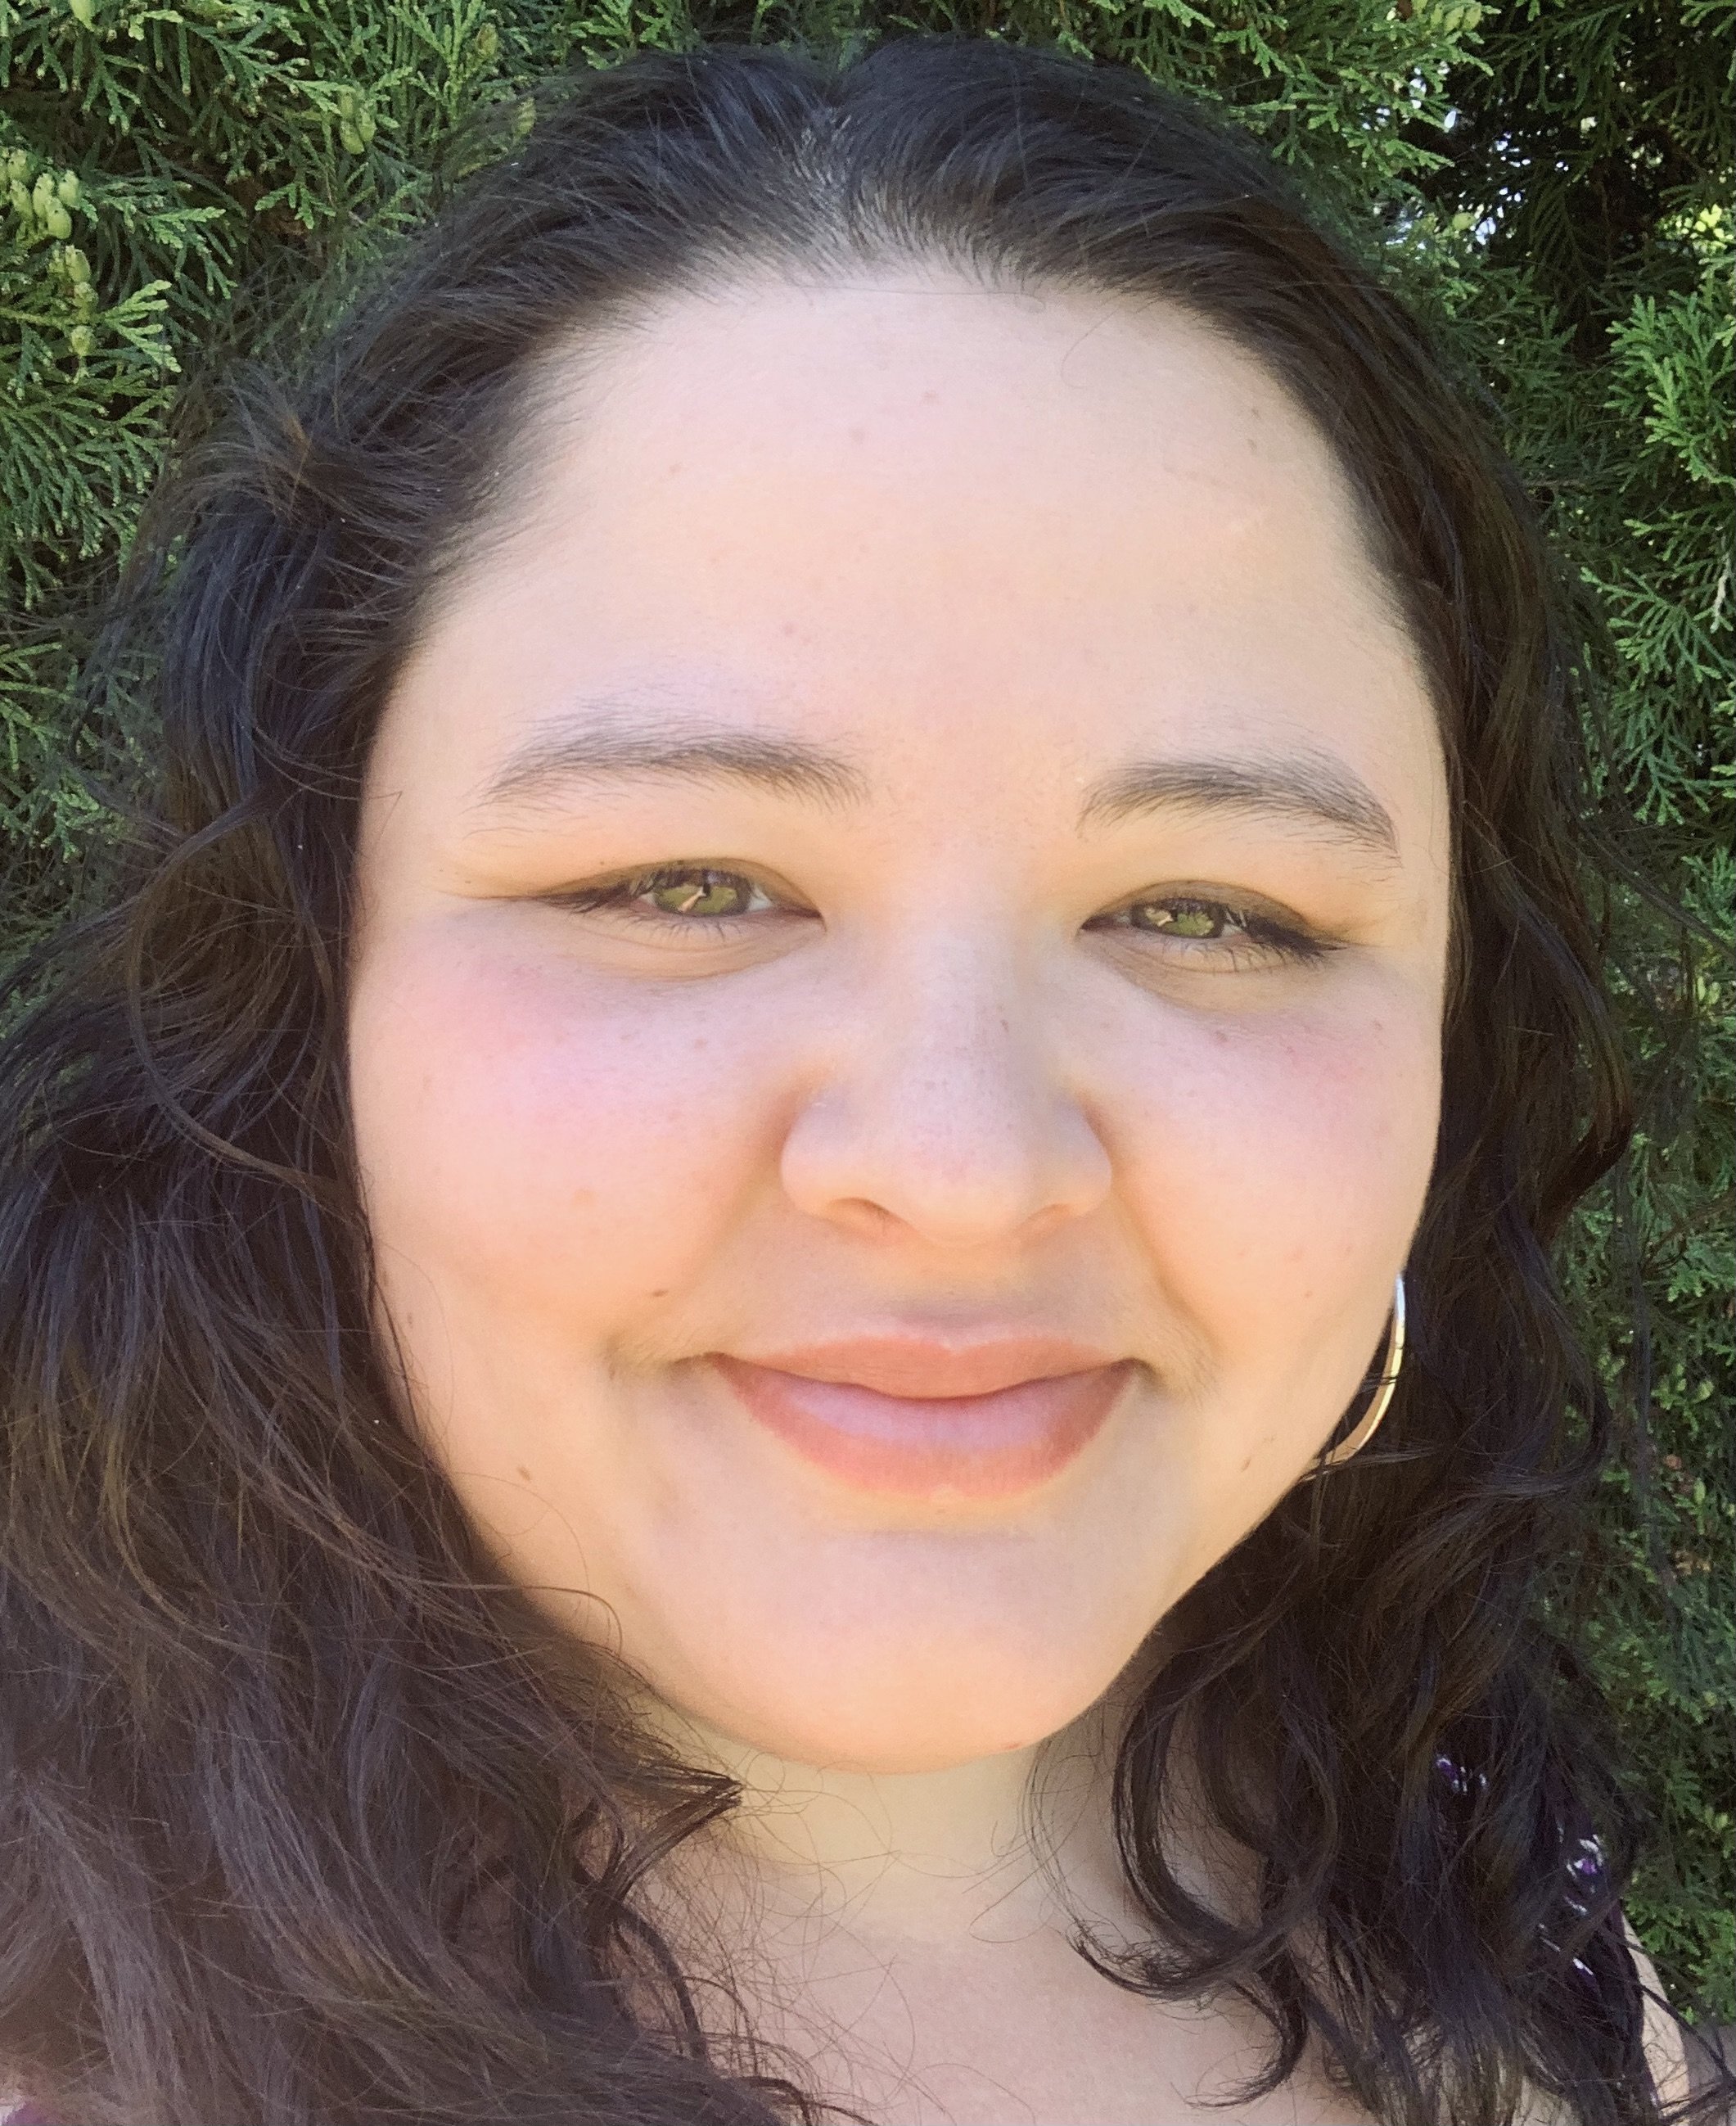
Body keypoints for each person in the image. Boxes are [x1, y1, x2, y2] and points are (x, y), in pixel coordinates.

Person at [1, 34, 1729, 2126]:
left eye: (1208, 911)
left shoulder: (1482, 1912)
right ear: (304, 998)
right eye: (688, 878)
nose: (963, 1168)